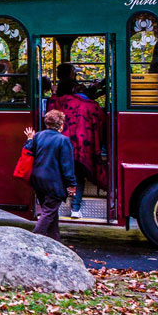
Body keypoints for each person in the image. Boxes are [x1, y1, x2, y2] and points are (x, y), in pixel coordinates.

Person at [49, 62, 107, 219]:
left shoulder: (56, 102)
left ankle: (53, 206)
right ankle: (75, 208)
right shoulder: (89, 105)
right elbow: (101, 121)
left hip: (59, 145)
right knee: (78, 177)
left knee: (59, 174)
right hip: (81, 146)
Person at [23, 110, 76, 242]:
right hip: (54, 182)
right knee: (48, 213)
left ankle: (55, 241)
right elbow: (67, 166)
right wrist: (72, 184)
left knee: (51, 213)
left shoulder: (38, 136)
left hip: (37, 180)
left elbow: (29, 150)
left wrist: (29, 138)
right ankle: (32, 240)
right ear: (61, 124)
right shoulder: (63, 140)